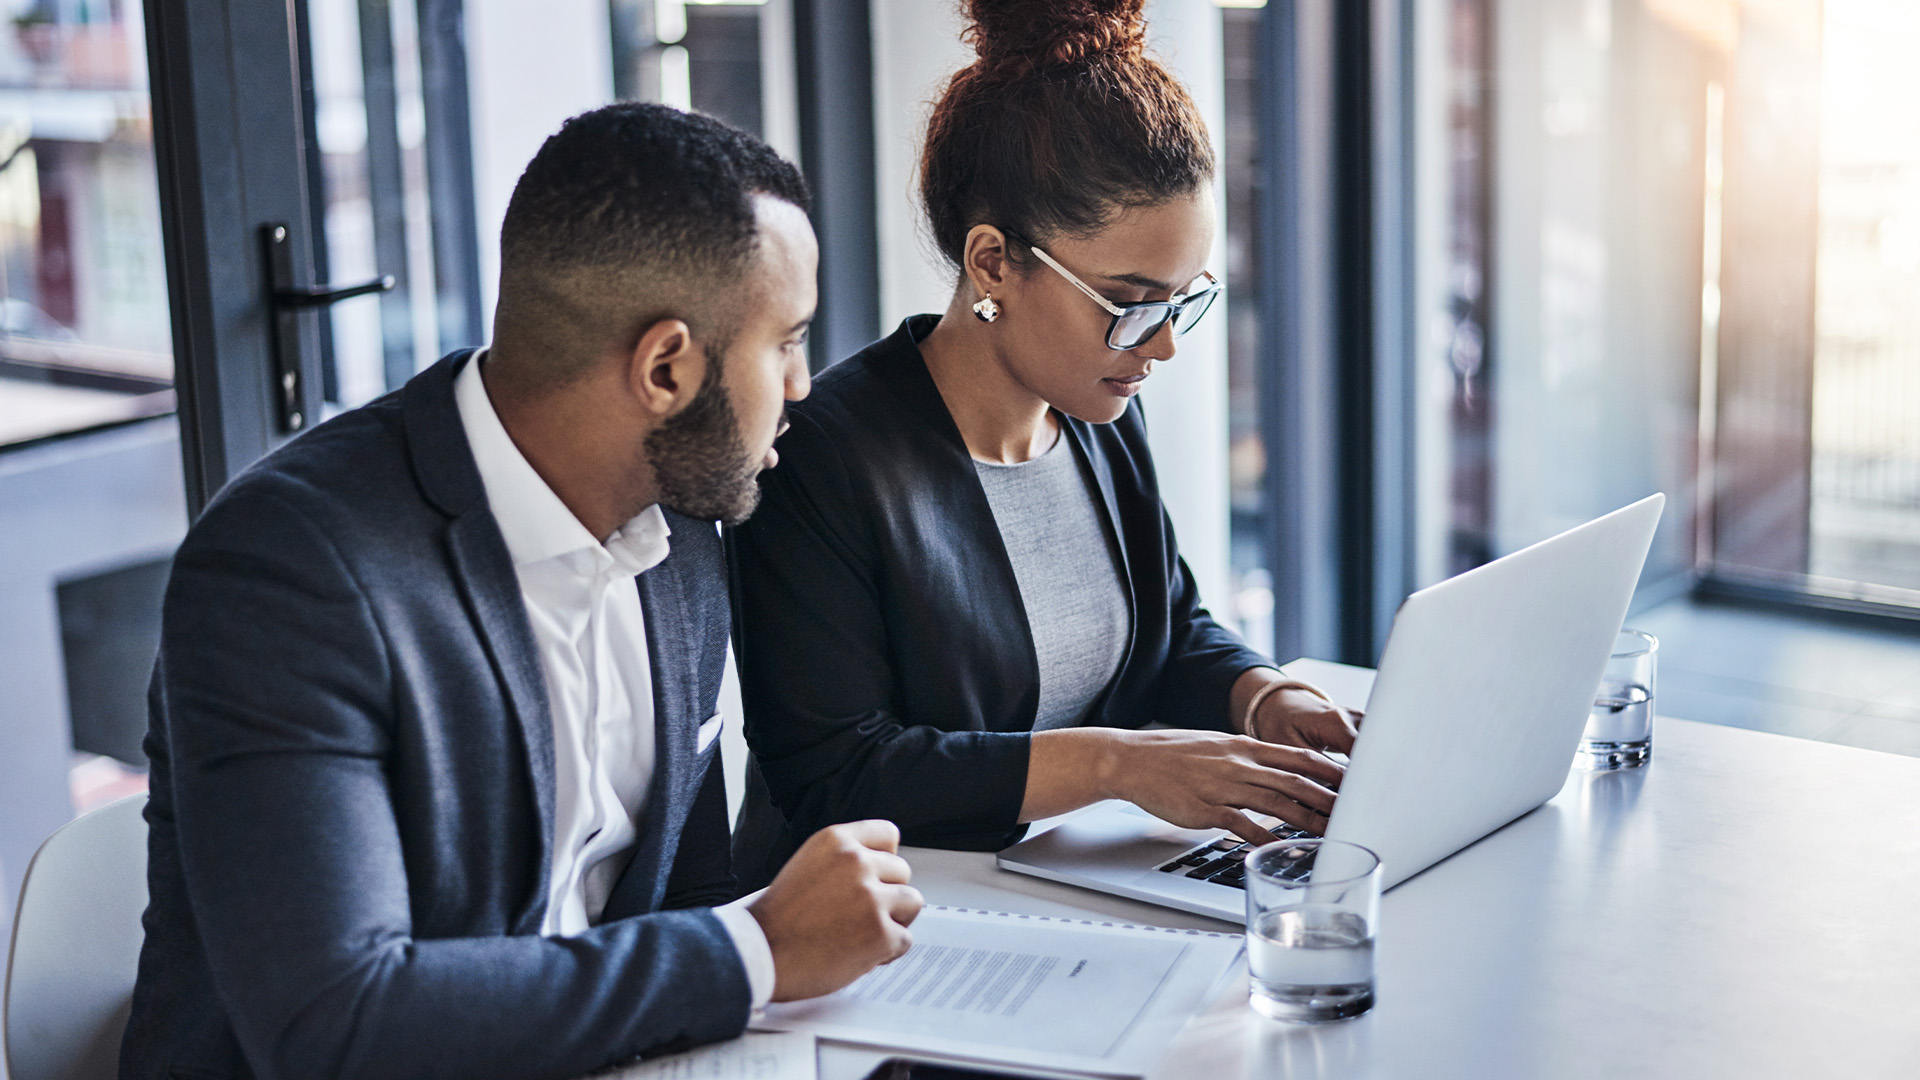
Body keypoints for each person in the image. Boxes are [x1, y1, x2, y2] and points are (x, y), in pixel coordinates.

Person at [121, 104, 922, 1080]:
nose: (802, 384)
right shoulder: (288, 571)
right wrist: (757, 950)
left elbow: (689, 882)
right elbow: (337, 1027)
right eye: (787, 340)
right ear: (665, 366)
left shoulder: (688, 519)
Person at [728, 0, 1359, 883]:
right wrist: (1115, 765)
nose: (1163, 343)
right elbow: (835, 774)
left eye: (1181, 300)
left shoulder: (1098, 415)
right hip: (894, 930)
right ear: (992, 263)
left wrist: (1262, 695)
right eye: (1132, 302)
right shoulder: (822, 459)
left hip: (1075, 896)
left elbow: (1170, 631)